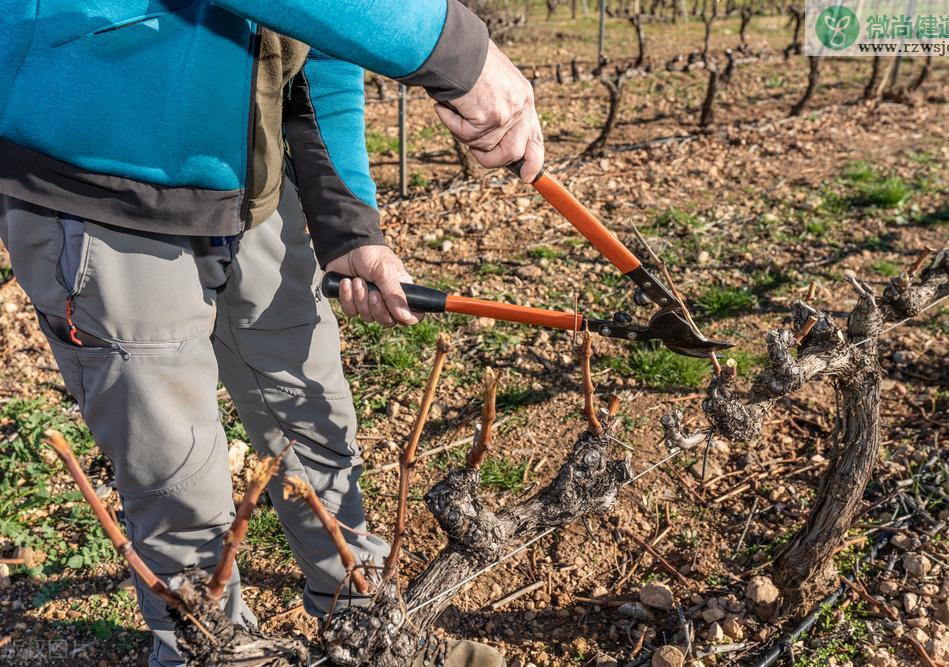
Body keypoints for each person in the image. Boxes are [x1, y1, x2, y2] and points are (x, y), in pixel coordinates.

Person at [0, 2, 543, 665]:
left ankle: (367, 630)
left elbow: (323, 46)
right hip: (101, 177)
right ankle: (216, 654)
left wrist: (348, 225)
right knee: (179, 486)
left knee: (314, 412)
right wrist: (458, 50)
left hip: (249, 179)